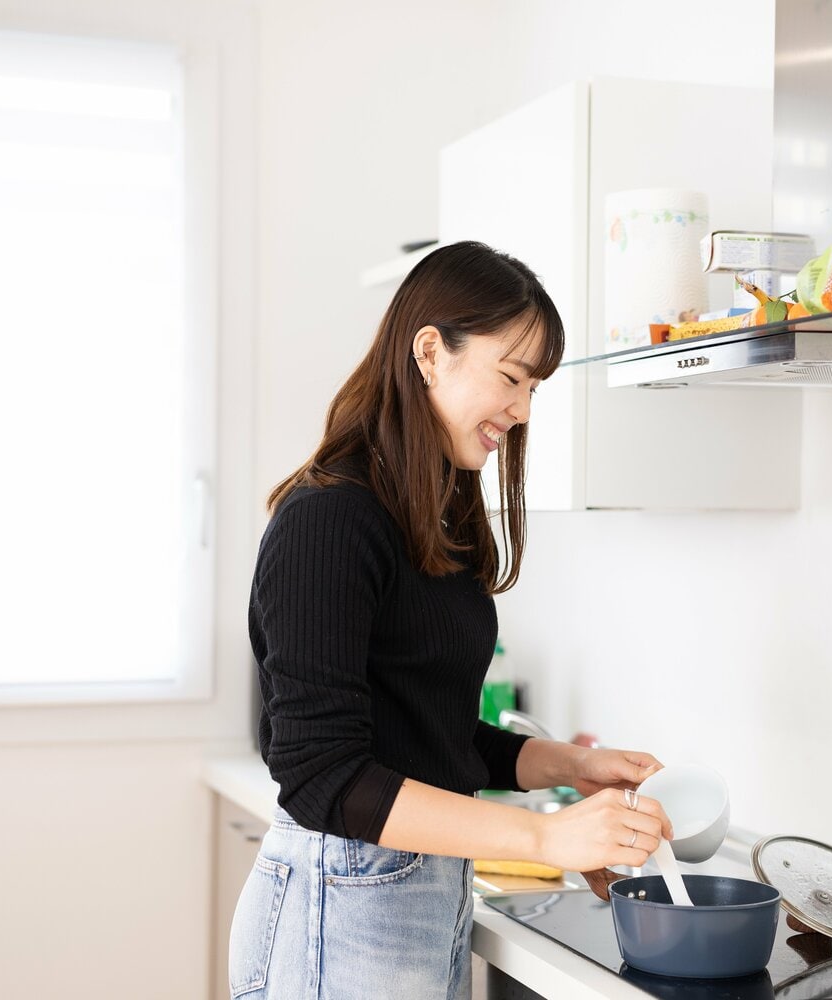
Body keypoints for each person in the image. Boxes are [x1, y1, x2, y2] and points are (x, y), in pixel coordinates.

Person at [228, 241, 673, 1000]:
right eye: (511, 376)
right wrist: (544, 835)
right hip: (338, 911)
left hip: (411, 896)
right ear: (430, 351)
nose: (524, 409)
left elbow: (429, 734)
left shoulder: (430, 516)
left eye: (534, 386)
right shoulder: (331, 519)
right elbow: (323, 776)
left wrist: (565, 765)